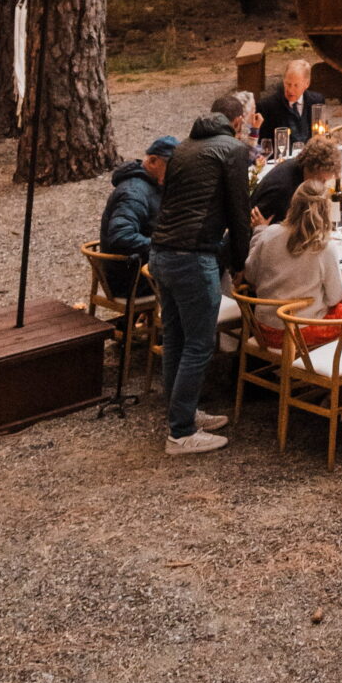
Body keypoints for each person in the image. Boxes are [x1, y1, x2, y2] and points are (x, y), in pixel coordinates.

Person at [148, 108, 255, 453]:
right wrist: (240, 264)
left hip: (161, 252)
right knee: (198, 344)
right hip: (192, 257)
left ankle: (182, 412)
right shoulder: (233, 150)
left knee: (176, 338)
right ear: (237, 122)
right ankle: (181, 432)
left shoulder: (182, 147)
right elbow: (239, 212)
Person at [243, 181, 342, 343]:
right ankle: (320, 366)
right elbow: (334, 297)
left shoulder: (270, 233)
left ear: (293, 205)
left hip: (262, 328)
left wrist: (258, 231)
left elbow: (250, 275)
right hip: (298, 332)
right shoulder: (323, 247)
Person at [97, 137, 177, 298]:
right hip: (130, 279)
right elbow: (121, 236)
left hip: (141, 268)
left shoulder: (152, 186)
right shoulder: (134, 193)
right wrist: (164, 244)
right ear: (153, 161)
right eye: (171, 168)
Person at [250, 134, 342, 229]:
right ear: (314, 168)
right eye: (321, 180)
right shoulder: (284, 187)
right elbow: (260, 226)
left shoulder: (298, 168)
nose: (323, 185)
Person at [257, 56, 317, 147]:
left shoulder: (316, 101)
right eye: (288, 84)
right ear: (283, 81)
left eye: (296, 85)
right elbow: (263, 144)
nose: (290, 90)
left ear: (307, 84)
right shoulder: (267, 106)